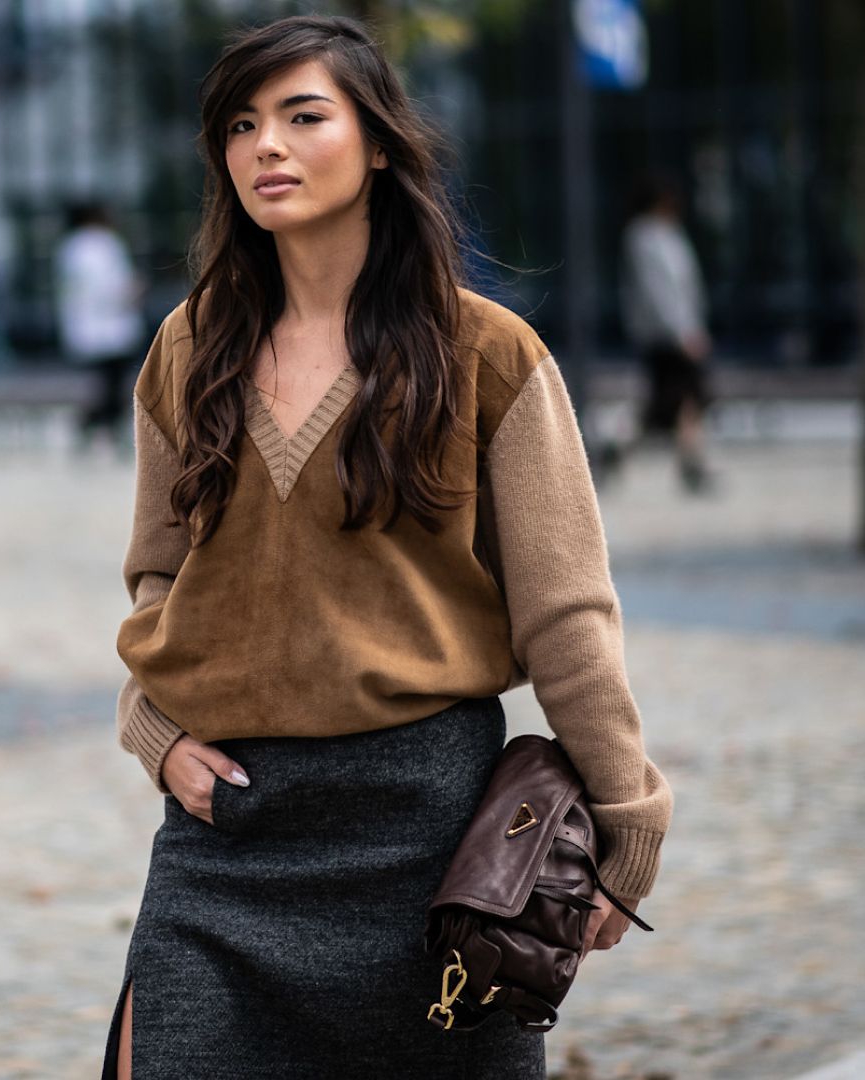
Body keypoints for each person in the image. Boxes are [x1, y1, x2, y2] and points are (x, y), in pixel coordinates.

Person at [103, 16, 673, 1080]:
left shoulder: (489, 354)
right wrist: (157, 734)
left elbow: (566, 614)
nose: (265, 144)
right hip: (226, 837)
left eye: (301, 116)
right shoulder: (190, 348)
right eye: (240, 124)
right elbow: (158, 578)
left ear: (376, 144)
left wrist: (626, 820)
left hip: (437, 851)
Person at [618, 173, 716, 493]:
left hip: (680, 332)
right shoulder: (643, 237)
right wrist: (682, 333)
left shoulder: (668, 234)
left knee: (685, 399)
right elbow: (658, 291)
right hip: (666, 337)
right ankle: (618, 447)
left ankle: (692, 463)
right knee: (667, 404)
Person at [54, 200, 145, 450]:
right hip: (111, 328)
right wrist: (132, 292)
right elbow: (112, 286)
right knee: (115, 385)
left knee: (107, 384)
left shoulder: (70, 247)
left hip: (87, 328)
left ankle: (97, 426)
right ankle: (96, 425)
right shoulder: (102, 244)